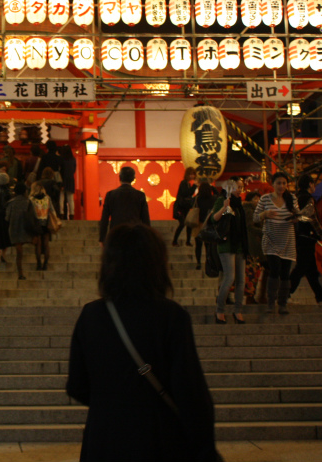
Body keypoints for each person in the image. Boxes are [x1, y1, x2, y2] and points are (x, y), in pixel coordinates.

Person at [66, 224, 218, 462]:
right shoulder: (171, 316)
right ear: (156, 263)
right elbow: (192, 394)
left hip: (104, 441)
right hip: (157, 440)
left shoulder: (91, 316)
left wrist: (112, 402)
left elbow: (76, 385)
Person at [254, 172, 299, 315]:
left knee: (285, 273)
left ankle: (282, 304)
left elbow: (298, 215)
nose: (281, 186)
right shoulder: (265, 199)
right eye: (279, 183)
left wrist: (296, 218)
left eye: (284, 183)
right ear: (273, 184)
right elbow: (255, 218)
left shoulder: (292, 198)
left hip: (287, 240)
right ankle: (270, 303)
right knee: (274, 270)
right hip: (271, 240)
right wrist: (264, 214)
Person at [289, 174, 322, 304]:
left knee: (311, 271)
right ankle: (285, 294)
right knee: (301, 268)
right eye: (313, 183)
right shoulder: (308, 199)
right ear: (310, 184)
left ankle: (321, 296)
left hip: (299, 237)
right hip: (307, 237)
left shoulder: (297, 198)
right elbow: (313, 220)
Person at [210, 180, 248, 324]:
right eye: (237, 187)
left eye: (241, 187)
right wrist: (224, 207)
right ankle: (219, 310)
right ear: (229, 188)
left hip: (239, 245)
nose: (239, 190)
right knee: (229, 278)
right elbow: (214, 219)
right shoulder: (222, 200)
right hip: (226, 245)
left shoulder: (239, 204)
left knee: (241, 280)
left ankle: (238, 311)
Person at [99, 166, 150, 245]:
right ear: (133, 178)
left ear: (119, 177)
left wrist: (102, 238)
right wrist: (147, 237)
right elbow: (145, 219)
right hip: (134, 234)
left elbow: (104, 219)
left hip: (116, 234)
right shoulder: (140, 195)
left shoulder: (111, 195)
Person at [5, 182, 33, 280]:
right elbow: (32, 216)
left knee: (19, 253)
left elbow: (7, 217)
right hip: (26, 229)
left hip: (14, 229)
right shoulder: (28, 202)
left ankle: (20, 272)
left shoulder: (11, 203)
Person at [243, 191, 265, 304]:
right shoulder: (249, 210)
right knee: (252, 272)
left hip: (255, 244)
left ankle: (254, 295)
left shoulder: (254, 210)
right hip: (253, 245)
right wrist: (263, 231)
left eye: (259, 199)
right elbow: (250, 227)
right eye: (255, 199)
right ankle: (250, 296)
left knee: (255, 271)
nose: (258, 201)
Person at [30, 182, 57, 271]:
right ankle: (45, 263)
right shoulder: (47, 198)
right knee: (46, 244)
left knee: (38, 245)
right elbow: (52, 210)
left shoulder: (31, 199)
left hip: (36, 223)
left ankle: (38, 263)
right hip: (46, 222)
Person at [172, 167, 197, 247]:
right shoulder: (183, 183)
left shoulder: (188, 184)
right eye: (191, 174)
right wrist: (194, 186)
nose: (192, 176)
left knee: (188, 224)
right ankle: (175, 241)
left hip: (185, 207)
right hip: (181, 207)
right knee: (182, 223)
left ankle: (187, 241)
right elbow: (186, 193)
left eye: (193, 174)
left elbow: (189, 193)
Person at [193, 182, 216, 271]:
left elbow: (191, 203)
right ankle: (208, 261)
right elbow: (219, 195)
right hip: (208, 224)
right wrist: (213, 188)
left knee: (198, 245)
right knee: (208, 246)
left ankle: (198, 262)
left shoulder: (197, 199)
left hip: (198, 223)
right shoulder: (213, 199)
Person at [60, 145, 77, 219]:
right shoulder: (73, 159)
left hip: (63, 179)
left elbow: (61, 170)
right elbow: (74, 170)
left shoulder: (62, 159)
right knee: (70, 198)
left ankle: (61, 213)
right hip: (71, 180)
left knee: (61, 197)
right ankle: (72, 214)